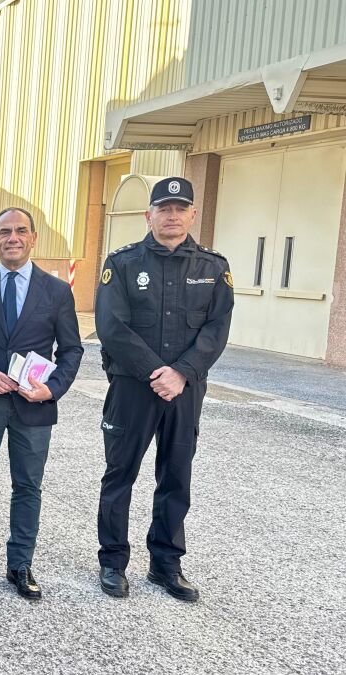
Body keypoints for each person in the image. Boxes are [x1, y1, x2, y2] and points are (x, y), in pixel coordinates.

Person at [95, 176, 233, 602]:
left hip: (185, 390)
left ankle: (166, 564)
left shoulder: (212, 268)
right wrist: (157, 372)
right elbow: (111, 326)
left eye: (180, 209)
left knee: (176, 475)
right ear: (148, 215)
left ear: (193, 215)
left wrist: (182, 373)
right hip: (133, 386)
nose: (172, 216)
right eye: (164, 209)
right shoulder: (122, 264)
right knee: (120, 474)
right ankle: (113, 561)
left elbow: (217, 329)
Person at [0, 207, 83, 600]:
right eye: (5, 232)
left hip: (33, 405)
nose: (13, 238)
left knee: (28, 486)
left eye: (20, 231)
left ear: (33, 238)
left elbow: (72, 350)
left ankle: (20, 564)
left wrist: (52, 389)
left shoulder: (57, 291)